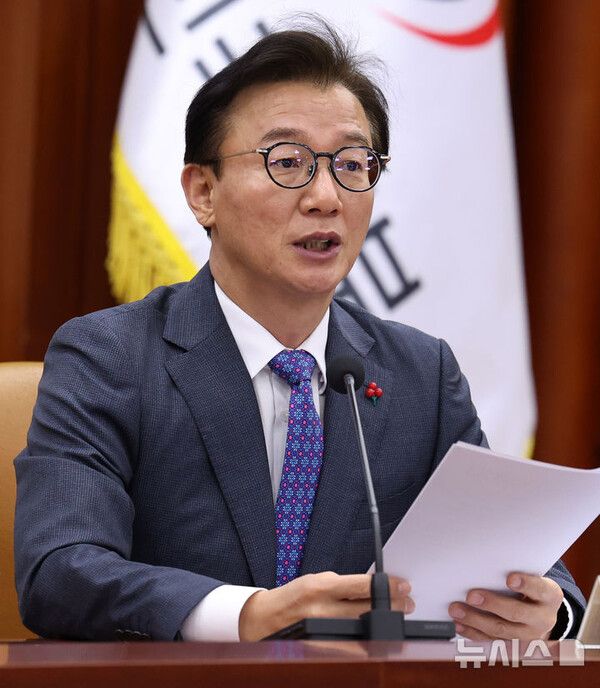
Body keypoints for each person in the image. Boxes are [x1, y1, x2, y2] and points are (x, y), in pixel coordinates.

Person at [14, 22, 584, 643]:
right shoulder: (109, 357)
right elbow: (60, 572)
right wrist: (248, 614)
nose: (326, 197)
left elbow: (526, 561)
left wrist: (548, 612)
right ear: (203, 192)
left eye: (352, 165)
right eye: (288, 162)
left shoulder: (421, 373)